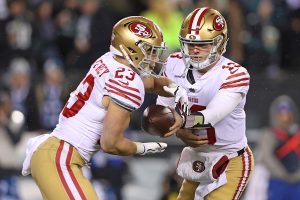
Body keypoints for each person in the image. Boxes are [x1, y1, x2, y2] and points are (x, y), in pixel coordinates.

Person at [21, 16, 188, 200]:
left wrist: (178, 89)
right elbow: (110, 144)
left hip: (55, 153)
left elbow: (152, 82)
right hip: (62, 158)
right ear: (130, 47)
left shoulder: (110, 60)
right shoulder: (128, 82)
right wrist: (142, 148)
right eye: (149, 50)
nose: (154, 58)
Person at [156, 7, 254, 200]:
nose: (195, 50)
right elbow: (163, 110)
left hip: (229, 159)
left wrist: (179, 125)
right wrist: (175, 129)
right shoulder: (174, 64)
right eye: (190, 44)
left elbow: (210, 116)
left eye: (203, 44)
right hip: (198, 156)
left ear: (219, 44)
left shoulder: (235, 74)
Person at [251, 95, 300, 200]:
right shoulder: (268, 134)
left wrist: (296, 174)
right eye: (281, 114)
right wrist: (283, 174)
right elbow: (267, 158)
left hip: (297, 182)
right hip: (276, 181)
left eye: (287, 114)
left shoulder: (296, 134)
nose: (284, 117)